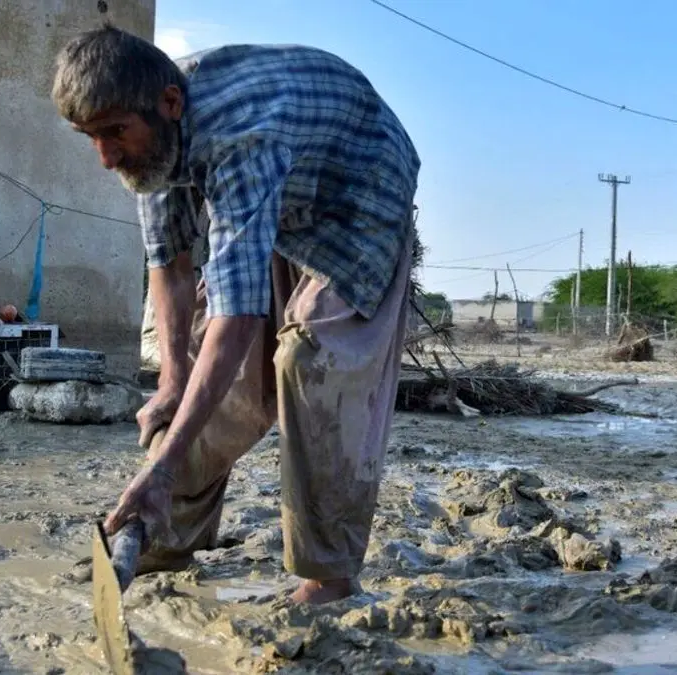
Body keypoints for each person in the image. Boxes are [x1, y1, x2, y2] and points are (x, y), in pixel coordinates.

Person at [51, 24, 421, 605]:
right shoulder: (145, 137)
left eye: (113, 134)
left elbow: (238, 317)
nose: (104, 157)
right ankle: (164, 533)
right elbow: (171, 266)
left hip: (363, 193)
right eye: (89, 137)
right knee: (205, 370)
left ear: (170, 104)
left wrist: (163, 464)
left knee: (313, 363)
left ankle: (329, 574)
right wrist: (172, 380)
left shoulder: (241, 140)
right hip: (288, 201)